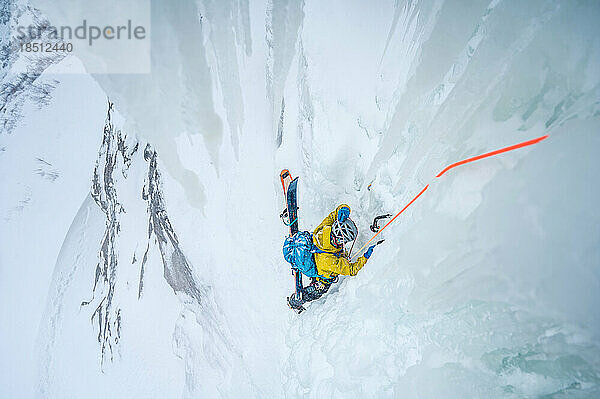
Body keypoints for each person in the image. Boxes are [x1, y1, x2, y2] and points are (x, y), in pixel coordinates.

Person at [288, 204, 377, 308]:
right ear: (339, 238)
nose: (345, 243)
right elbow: (352, 270)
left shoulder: (324, 229)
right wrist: (366, 257)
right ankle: (295, 302)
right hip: (321, 275)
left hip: (316, 257)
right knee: (317, 291)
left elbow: (333, 216)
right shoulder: (330, 261)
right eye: (345, 240)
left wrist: (343, 210)